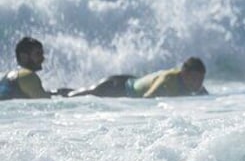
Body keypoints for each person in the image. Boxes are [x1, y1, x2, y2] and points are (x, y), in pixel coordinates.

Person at [67, 57, 208, 98]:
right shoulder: (168, 79)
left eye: (200, 80)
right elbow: (147, 97)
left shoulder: (196, 86)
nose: (198, 84)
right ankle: (58, 94)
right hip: (119, 86)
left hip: (132, 81)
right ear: (184, 73)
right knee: (82, 94)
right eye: (195, 79)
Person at [0, 37, 71, 99]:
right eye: (38, 54)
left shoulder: (7, 77)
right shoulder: (27, 76)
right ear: (24, 57)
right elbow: (46, 104)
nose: (42, 58)